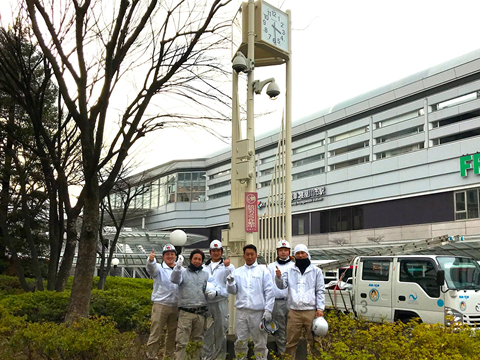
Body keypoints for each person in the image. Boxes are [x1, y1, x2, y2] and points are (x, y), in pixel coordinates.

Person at [275, 244, 325, 360]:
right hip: (294, 312)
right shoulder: (290, 270)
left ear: (307, 254)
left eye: (303, 253)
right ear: (295, 256)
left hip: (311, 311)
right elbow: (282, 286)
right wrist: (278, 278)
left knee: (315, 341)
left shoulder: (316, 271)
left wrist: (320, 309)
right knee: (291, 342)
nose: (300, 255)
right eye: (298, 253)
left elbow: (320, 290)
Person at [227, 244, 274, 360]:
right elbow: (233, 291)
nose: (249, 257)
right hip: (241, 312)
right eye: (247, 254)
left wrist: (268, 310)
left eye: (252, 254)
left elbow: (269, 291)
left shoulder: (263, 271)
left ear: (256, 255)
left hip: (258, 312)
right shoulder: (238, 272)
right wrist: (231, 283)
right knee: (240, 341)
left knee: (260, 343)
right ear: (243, 255)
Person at [170, 249, 210, 360]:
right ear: (191, 259)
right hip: (185, 312)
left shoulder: (206, 274)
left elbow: (211, 288)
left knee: (198, 341)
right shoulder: (183, 272)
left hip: (201, 313)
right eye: (195, 258)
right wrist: (177, 267)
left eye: (199, 259)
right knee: (182, 341)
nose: (197, 261)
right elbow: (174, 279)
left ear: (202, 261)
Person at [202, 240, 235, 360]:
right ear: (210, 252)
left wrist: (218, 292)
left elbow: (232, 286)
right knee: (207, 330)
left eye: (218, 251)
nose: (216, 253)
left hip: (220, 302)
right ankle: (206, 356)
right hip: (206, 303)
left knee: (221, 330)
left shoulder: (229, 267)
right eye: (213, 251)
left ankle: (220, 357)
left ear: (221, 252)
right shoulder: (203, 267)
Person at [145, 244, 179, 360]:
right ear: (163, 256)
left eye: (172, 254)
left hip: (175, 306)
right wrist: (151, 260)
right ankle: (151, 356)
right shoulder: (159, 268)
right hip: (161, 305)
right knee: (155, 333)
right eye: (167, 254)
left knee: (172, 335)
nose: (170, 256)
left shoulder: (180, 269)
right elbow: (151, 269)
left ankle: (169, 356)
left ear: (175, 256)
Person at [267, 239, 295, 355]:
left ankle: (291, 354)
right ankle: (282, 355)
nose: (283, 252)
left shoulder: (294, 266)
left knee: (292, 330)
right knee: (280, 331)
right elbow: (268, 286)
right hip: (277, 302)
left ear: (289, 251)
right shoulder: (271, 266)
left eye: (285, 250)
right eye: (281, 250)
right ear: (277, 252)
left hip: (291, 302)